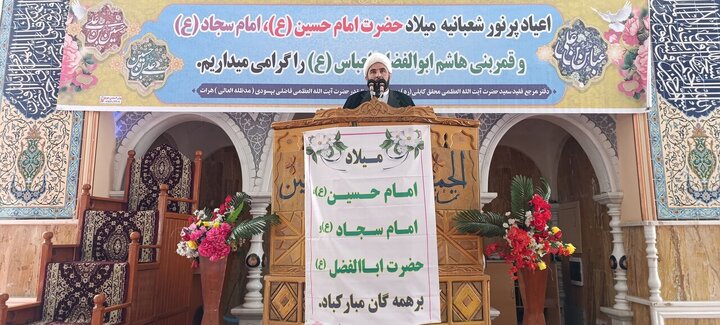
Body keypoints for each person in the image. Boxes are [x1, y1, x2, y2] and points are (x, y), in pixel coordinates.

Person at [343, 52, 415, 109]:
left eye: (382, 71)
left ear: (389, 75)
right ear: (366, 77)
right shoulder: (353, 101)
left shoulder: (405, 101)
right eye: (373, 72)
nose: (378, 75)